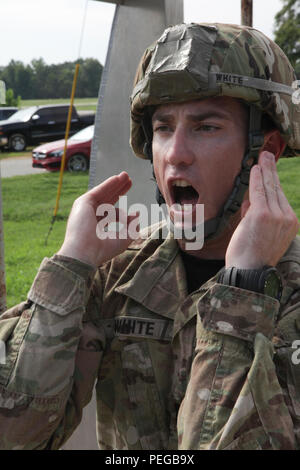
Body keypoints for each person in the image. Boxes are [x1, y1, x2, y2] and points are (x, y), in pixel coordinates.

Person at [0, 22, 300, 450]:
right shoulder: (121, 273)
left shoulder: (289, 294)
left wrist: (244, 291)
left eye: (206, 127)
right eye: (163, 128)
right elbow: (14, 434)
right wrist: (72, 264)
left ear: (265, 150)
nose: (176, 153)